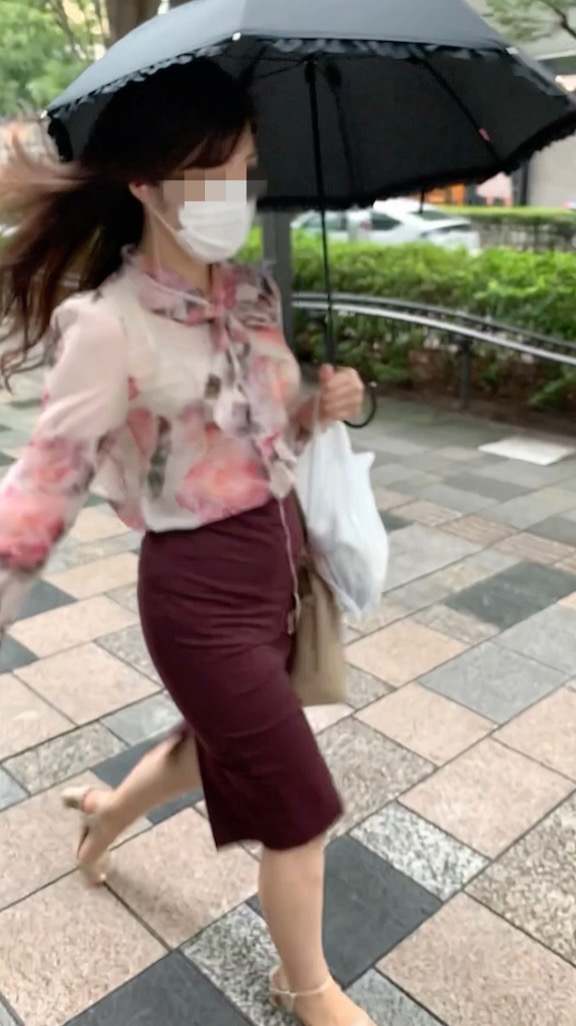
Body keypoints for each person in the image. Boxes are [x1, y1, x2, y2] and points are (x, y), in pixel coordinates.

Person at [0, 59, 374, 1026]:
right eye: (208, 171)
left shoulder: (252, 296)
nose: (232, 191)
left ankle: (105, 817)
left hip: (278, 570)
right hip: (196, 596)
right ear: (144, 185)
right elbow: (43, 484)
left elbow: (267, 435)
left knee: (215, 744)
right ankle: (308, 988)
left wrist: (324, 403)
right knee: (298, 801)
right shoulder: (107, 326)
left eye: (242, 165)